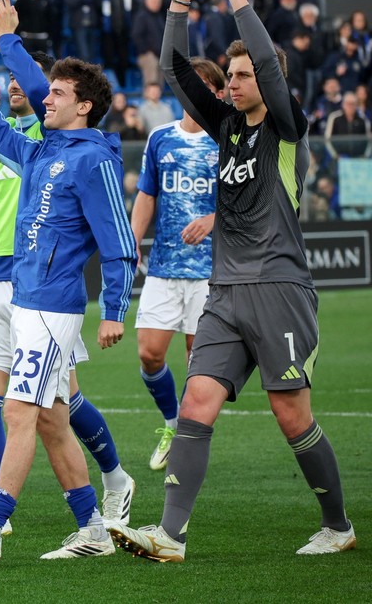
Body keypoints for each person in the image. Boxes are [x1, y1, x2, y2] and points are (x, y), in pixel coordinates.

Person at [110, 0, 355, 560]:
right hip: (224, 290)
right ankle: (170, 536)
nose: (234, 83)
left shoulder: (287, 125)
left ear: (267, 80)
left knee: (291, 416)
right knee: (196, 403)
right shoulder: (224, 126)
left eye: (244, 75)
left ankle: (338, 525)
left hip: (279, 288)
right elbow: (175, 69)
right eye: (231, 75)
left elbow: (268, 61)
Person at [0, 0, 137, 563]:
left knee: (18, 411)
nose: (47, 98)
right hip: (24, 299)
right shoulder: (39, 151)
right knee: (50, 419)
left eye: (60, 94)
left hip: (52, 306)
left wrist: (114, 310)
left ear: (85, 107)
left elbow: (120, 244)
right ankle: (92, 529)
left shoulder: (94, 159)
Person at [129, 58, 226, 472]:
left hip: (211, 271)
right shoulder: (160, 138)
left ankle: (187, 438)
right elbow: (147, 194)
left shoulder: (227, 139)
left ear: (217, 94)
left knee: (196, 362)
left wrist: (213, 219)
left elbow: (246, 199)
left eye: (204, 86)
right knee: (149, 354)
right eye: (190, 85)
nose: (195, 93)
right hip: (164, 266)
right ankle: (172, 423)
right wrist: (132, 240)